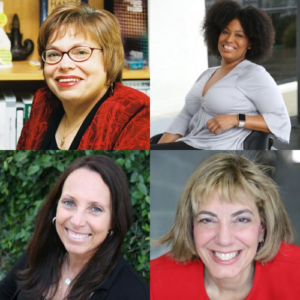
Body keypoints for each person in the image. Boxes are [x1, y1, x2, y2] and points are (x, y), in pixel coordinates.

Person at [151, 153, 300, 300]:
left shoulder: (295, 270)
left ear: (262, 228)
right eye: (207, 220)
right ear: (191, 227)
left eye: (241, 219)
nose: (224, 240)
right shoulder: (155, 282)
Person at [0, 155, 149, 300]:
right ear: (56, 205)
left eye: (96, 209)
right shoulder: (37, 256)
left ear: (114, 221)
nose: (77, 221)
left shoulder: (133, 293)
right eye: (69, 203)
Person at [151, 0, 291, 150]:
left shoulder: (255, 74)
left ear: (250, 43)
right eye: (225, 32)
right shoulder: (207, 74)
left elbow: (280, 121)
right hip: (194, 138)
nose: (229, 39)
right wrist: (160, 148)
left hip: (218, 147)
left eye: (239, 35)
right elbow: (185, 117)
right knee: (153, 142)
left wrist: (236, 119)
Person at [17, 3, 150, 150]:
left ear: (109, 58)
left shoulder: (136, 112)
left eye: (81, 52)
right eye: (54, 54)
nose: (64, 65)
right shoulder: (42, 101)